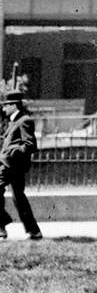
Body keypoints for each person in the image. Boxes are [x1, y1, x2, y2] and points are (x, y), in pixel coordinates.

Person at [0, 85, 42, 242]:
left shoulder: (25, 121)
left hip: (12, 166)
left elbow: (30, 144)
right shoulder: (12, 122)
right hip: (7, 165)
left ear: (13, 105)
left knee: (19, 198)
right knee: (19, 198)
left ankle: (2, 227)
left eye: (5, 105)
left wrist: (13, 152)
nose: (3, 108)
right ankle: (33, 231)